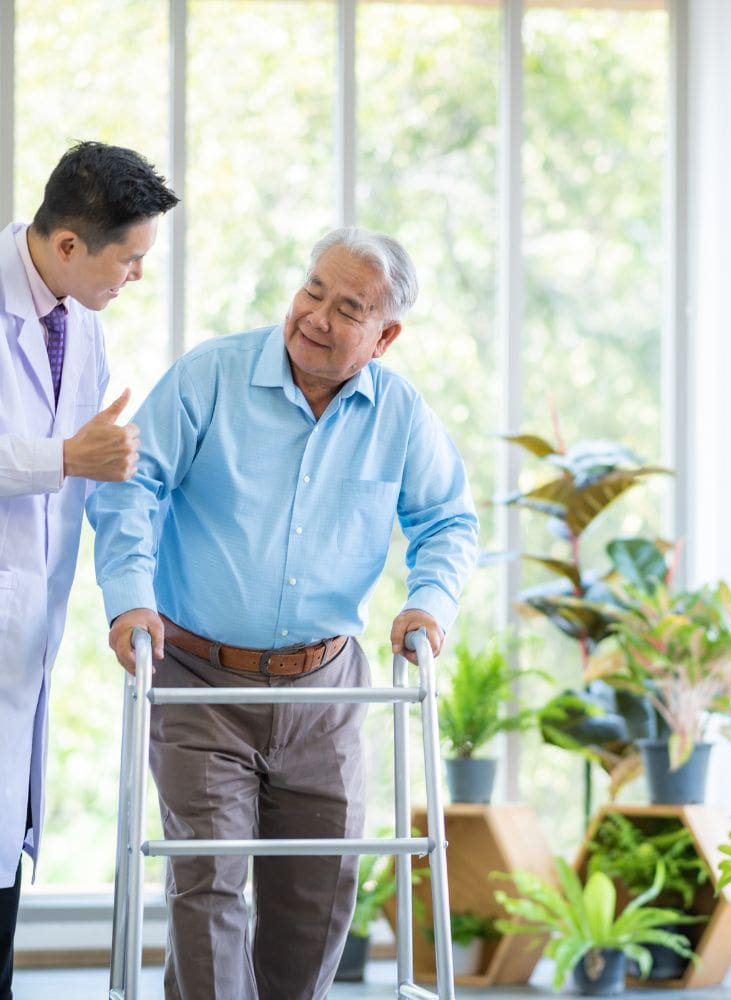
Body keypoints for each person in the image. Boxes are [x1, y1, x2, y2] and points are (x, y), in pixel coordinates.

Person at [87, 226, 479, 1000]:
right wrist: (130, 597)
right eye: (313, 291)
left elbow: (449, 521)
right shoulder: (210, 377)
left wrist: (429, 605)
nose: (317, 318)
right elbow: (133, 488)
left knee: (318, 898)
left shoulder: (398, 414)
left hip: (326, 690)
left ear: (386, 334)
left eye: (349, 308)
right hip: (200, 680)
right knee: (209, 888)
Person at [0, 141, 178, 998]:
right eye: (131, 256)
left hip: (23, 642)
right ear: (69, 245)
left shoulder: (84, 324)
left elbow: (92, 475)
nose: (138, 275)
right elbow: (62, 461)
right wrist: (63, 455)